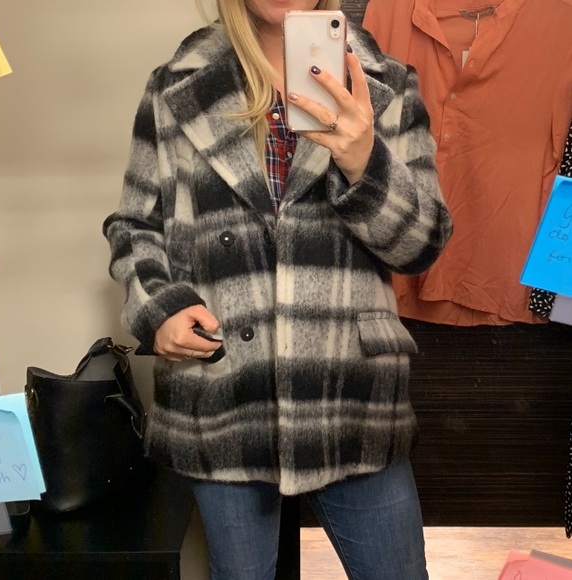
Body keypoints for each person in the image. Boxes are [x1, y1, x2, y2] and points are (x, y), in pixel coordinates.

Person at [103, 1, 453, 578]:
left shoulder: (386, 86)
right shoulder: (175, 88)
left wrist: (365, 163)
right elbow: (135, 225)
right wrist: (159, 308)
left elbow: (421, 246)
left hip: (350, 392)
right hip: (224, 388)